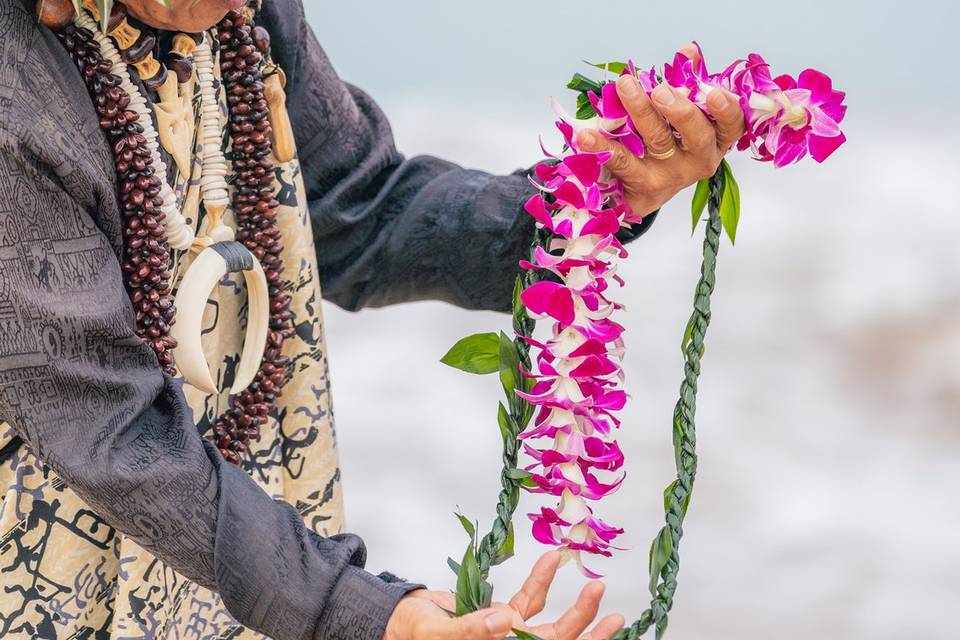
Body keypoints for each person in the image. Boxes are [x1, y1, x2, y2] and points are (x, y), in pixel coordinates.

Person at [0, 0, 746, 638]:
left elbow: (365, 210)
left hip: (214, 596)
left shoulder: (242, 19)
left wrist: (592, 198)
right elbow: (112, 433)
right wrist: (364, 613)